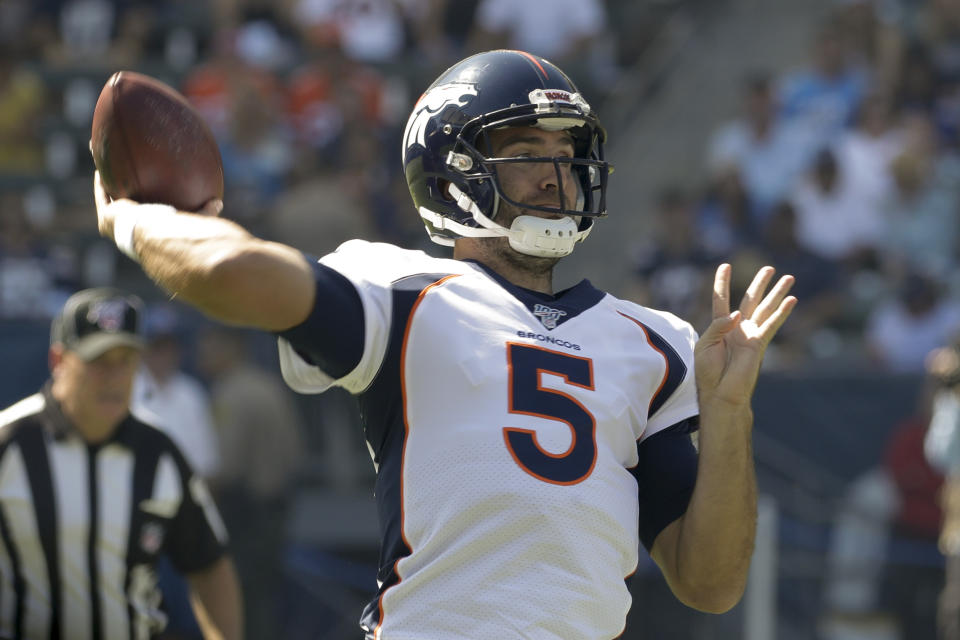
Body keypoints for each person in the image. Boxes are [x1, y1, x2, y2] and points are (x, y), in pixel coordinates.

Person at [92, 49, 796, 639]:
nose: (557, 175)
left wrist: (731, 414)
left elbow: (710, 583)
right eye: (526, 152)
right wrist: (133, 219)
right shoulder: (399, 291)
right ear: (450, 171)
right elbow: (229, 271)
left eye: (566, 151)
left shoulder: (654, 342)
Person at [0, 287, 243, 639]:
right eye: (98, 362)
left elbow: (209, 563)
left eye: (126, 361)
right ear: (59, 362)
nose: (114, 377)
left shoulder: (158, 451)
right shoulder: (9, 444)